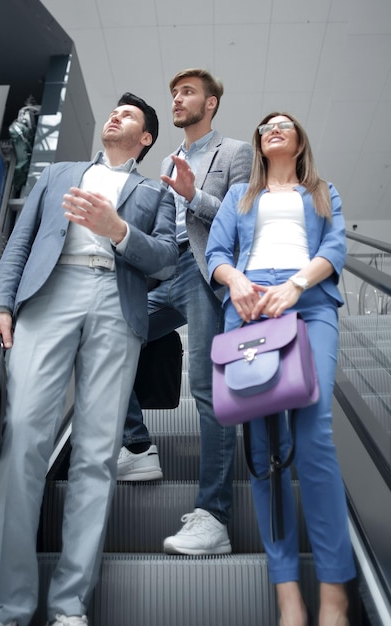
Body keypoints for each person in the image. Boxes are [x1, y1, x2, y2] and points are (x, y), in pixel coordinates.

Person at [0, 92, 178, 626]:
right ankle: (6, 606)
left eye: (130, 116)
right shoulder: (60, 171)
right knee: (22, 435)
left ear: (146, 139)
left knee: (95, 456)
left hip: (117, 302)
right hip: (50, 294)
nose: (116, 116)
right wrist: (1, 304)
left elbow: (164, 260)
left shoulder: (155, 190)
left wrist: (117, 229)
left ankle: (69, 606)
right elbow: (20, 242)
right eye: (115, 110)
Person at [206, 112, 356, 625]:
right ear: (259, 142)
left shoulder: (322, 192)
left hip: (309, 303)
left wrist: (295, 285)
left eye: (285, 124)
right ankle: (287, 590)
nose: (274, 127)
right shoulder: (239, 197)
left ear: (297, 142)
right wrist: (236, 283)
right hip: (248, 308)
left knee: (314, 435)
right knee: (265, 450)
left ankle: (336, 590)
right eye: (267, 124)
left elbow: (335, 248)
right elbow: (216, 252)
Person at [117, 68, 253, 555]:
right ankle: (136, 447)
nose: (177, 99)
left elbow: (243, 218)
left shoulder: (234, 151)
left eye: (188, 92)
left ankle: (214, 517)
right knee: (107, 335)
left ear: (210, 103)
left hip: (203, 273)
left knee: (205, 385)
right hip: (162, 272)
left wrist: (193, 194)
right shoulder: (167, 160)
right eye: (174, 92)